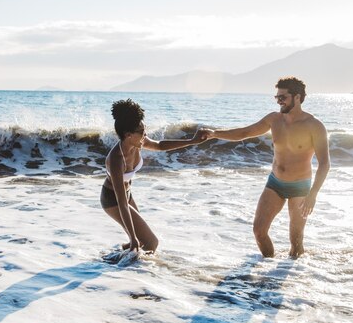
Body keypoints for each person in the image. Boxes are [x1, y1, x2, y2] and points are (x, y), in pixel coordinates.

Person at [206, 77, 330, 259]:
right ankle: (267, 270)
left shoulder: (314, 126)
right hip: (275, 183)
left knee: (296, 242)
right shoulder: (274, 120)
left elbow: (324, 163)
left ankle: (293, 276)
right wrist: (214, 134)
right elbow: (244, 132)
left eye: (283, 97)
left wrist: (313, 194)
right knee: (259, 231)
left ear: (297, 97)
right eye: (277, 97)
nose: (279, 101)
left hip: (301, 187)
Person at [101, 99, 209, 254]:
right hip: (113, 200)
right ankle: (121, 266)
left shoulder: (138, 143)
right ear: (128, 134)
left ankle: (113, 261)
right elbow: (121, 203)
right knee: (151, 243)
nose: (145, 135)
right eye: (142, 132)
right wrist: (132, 238)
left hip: (127, 195)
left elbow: (159, 145)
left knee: (143, 242)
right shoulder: (116, 159)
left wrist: (192, 141)